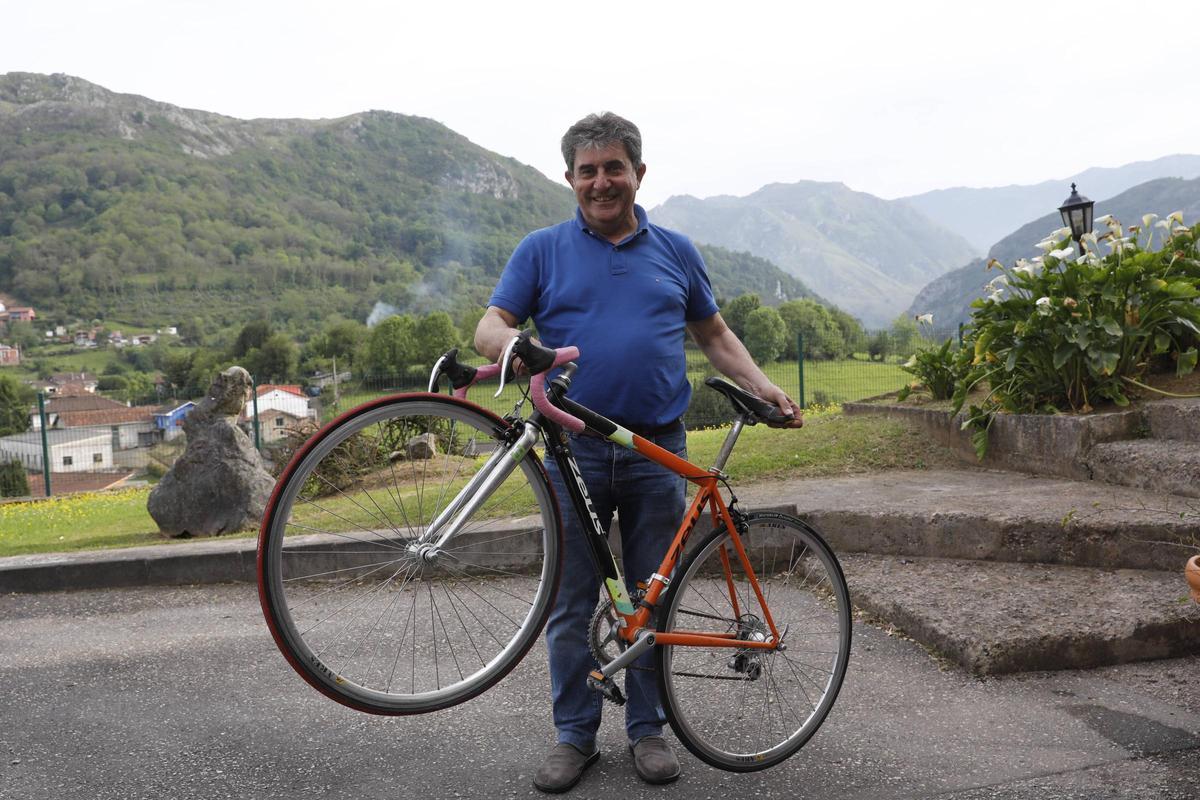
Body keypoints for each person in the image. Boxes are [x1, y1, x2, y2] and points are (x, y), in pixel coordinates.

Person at [474, 112, 802, 793]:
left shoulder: (676, 251)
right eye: (588, 171)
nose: (601, 182)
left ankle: (648, 731)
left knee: (655, 602)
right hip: (575, 453)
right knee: (569, 603)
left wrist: (765, 387)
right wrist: (513, 348)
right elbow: (491, 324)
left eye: (613, 168)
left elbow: (713, 333)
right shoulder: (540, 249)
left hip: (658, 450)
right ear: (569, 179)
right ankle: (575, 737)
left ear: (639, 175)